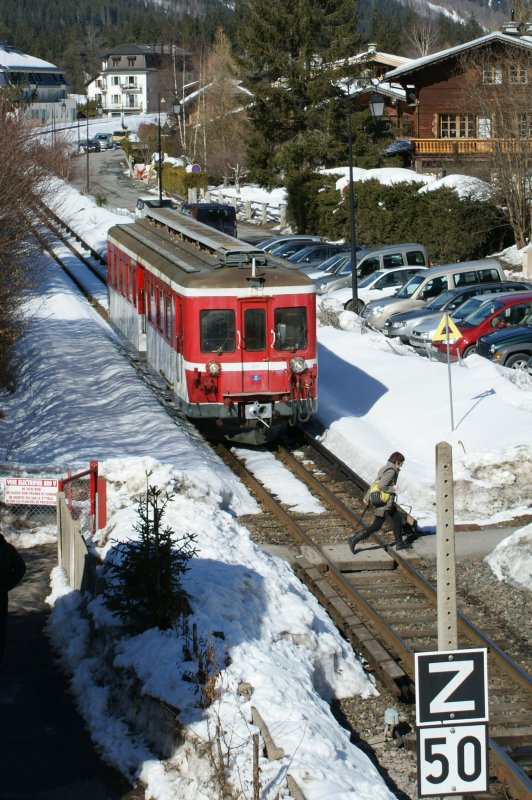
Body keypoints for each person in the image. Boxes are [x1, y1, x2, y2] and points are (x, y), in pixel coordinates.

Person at [348, 452, 410, 553]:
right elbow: (381, 486)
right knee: (377, 525)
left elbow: (374, 483)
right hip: (384, 502)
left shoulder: (385, 468)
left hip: (387, 502)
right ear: (397, 462)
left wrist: (367, 496)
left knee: (397, 519)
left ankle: (399, 543)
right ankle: (354, 539)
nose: (401, 466)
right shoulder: (391, 471)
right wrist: (393, 489)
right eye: (401, 464)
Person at [0, 533, 26, 662]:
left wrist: (7, 585)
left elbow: (20, 568)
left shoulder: (6, 549)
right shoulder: (6, 548)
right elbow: (20, 567)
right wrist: (7, 585)